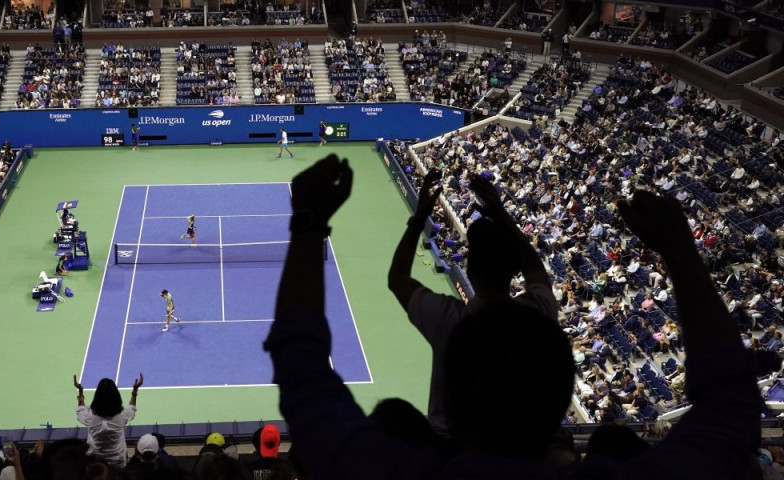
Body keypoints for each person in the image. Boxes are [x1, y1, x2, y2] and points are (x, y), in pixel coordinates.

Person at [264, 156, 764, 480]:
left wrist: (314, 227)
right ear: (556, 388)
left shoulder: (401, 465)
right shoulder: (538, 310)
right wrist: (678, 247)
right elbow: (730, 406)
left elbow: (305, 372)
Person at [387, 171, 558, 436]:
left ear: (470, 267)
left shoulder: (448, 320)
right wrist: (503, 216)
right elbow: (535, 269)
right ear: (515, 269)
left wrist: (419, 218)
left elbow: (397, 278)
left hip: (453, 453)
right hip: (513, 449)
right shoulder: (538, 312)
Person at [73, 373, 144, 468]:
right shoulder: (121, 416)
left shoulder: (89, 417)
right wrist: (135, 390)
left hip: (96, 463)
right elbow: (131, 409)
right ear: (116, 396)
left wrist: (81, 392)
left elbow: (80, 410)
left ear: (97, 396)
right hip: (118, 463)